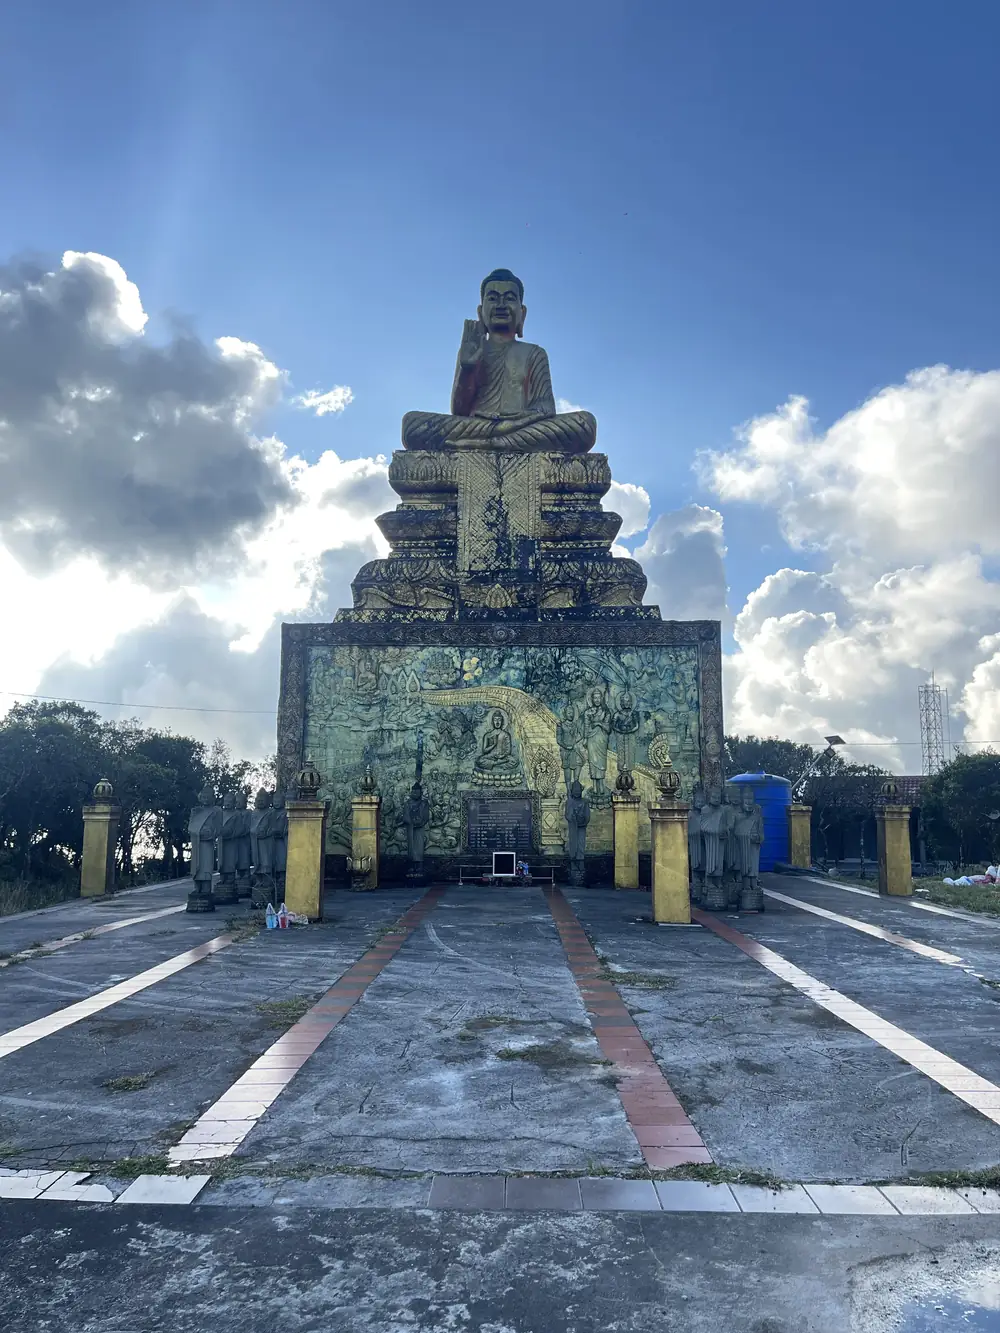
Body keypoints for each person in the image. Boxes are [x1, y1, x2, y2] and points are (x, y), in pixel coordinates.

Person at [401, 270, 596, 453]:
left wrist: (511, 423)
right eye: (493, 298)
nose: (501, 305)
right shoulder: (472, 350)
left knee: (584, 425)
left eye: (509, 299)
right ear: (481, 312)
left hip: (521, 425)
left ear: (522, 313)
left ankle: (491, 444)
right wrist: (467, 368)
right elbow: (460, 411)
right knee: (412, 425)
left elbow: (545, 408)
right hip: (479, 426)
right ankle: (498, 441)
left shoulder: (535, 353)